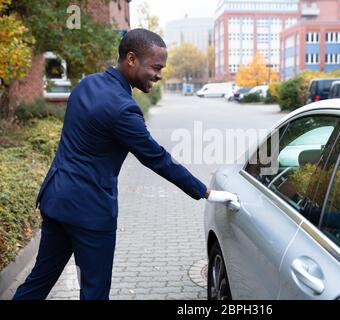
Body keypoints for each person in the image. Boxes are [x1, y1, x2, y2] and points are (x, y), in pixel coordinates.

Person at [13, 29, 235, 300]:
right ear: (131, 59)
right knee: (94, 292)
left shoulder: (86, 85)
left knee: (37, 283)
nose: (159, 75)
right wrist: (205, 191)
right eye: (156, 67)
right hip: (90, 214)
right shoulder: (123, 109)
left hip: (56, 200)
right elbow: (157, 158)